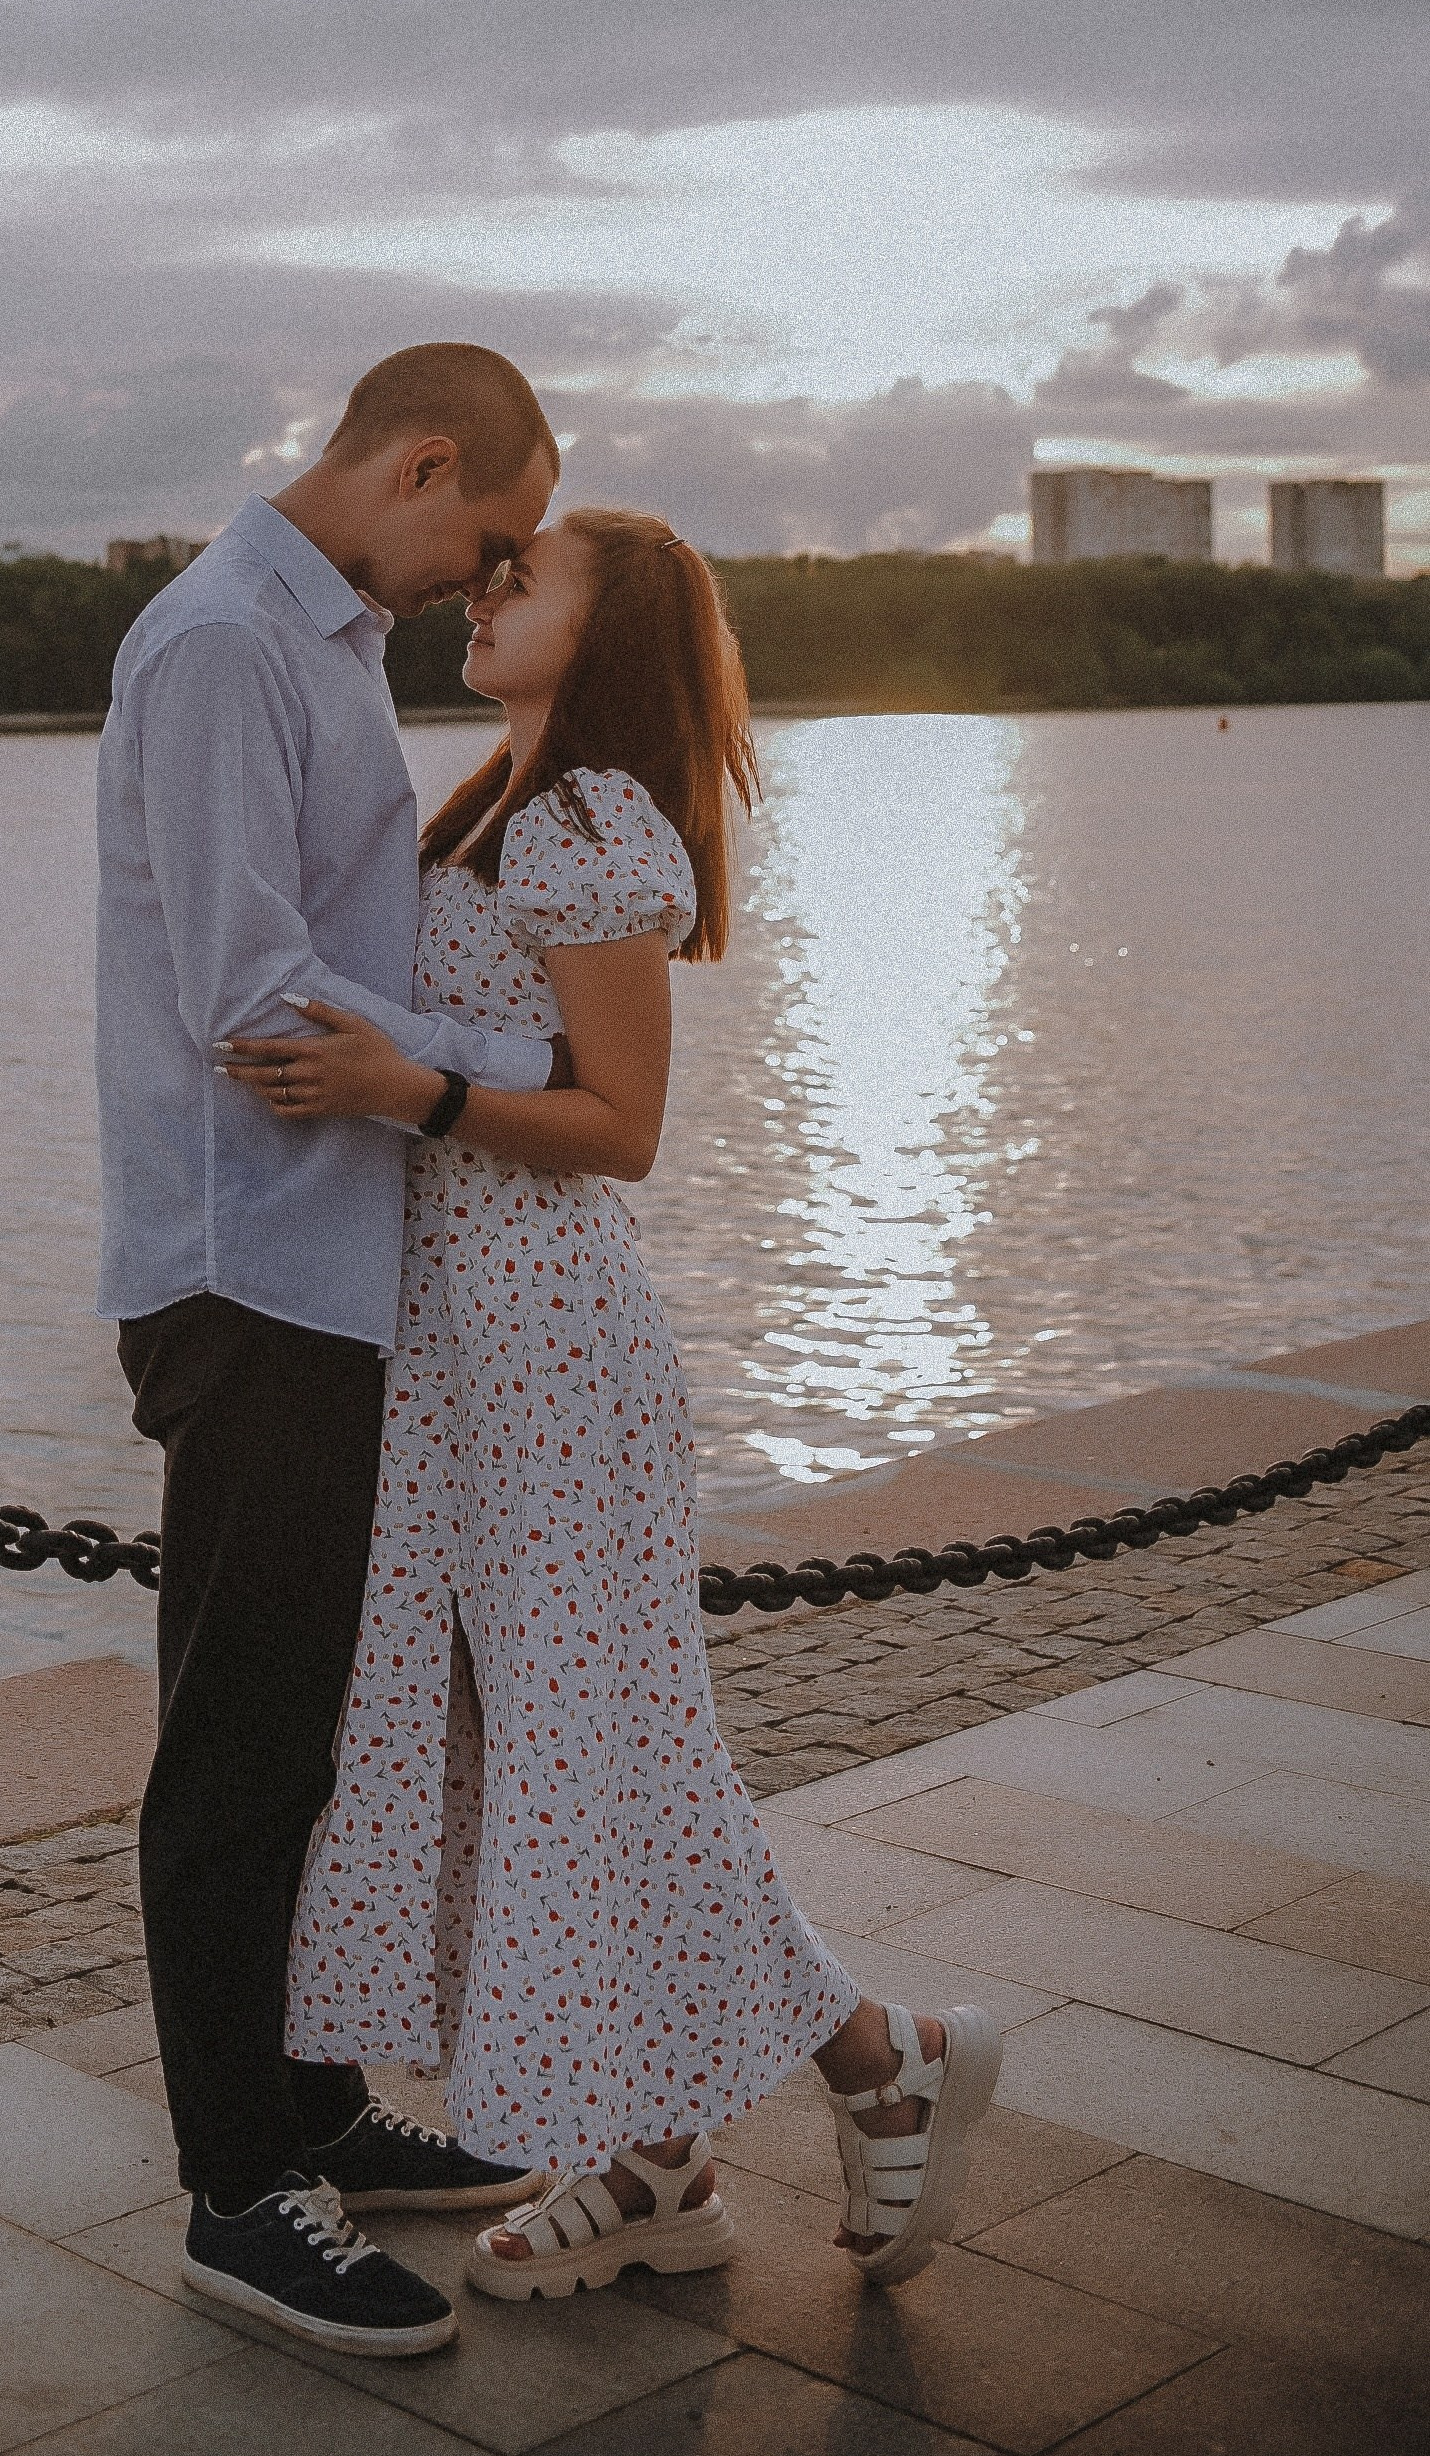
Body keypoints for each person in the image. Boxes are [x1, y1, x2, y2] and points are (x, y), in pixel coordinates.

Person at [221, 508, 1001, 2305]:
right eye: (487, 568)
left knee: (614, 1758)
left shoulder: (583, 823)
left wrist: (399, 1091)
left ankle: (885, 2061)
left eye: (528, 575)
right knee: (542, 1760)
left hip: (551, 1358)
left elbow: (621, 1126)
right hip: (460, 1361)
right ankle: (656, 2155)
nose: (487, 592)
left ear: (613, 633)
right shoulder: (489, 800)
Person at [98, 343, 586, 2361]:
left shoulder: (325, 644)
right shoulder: (223, 644)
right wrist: (509, 1067)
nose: (482, 576)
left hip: (328, 1262)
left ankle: (311, 2108)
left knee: (304, 1726)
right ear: (420, 459)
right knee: (235, 1742)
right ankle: (240, 2189)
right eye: (483, 533)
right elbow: (255, 999)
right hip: (248, 1266)